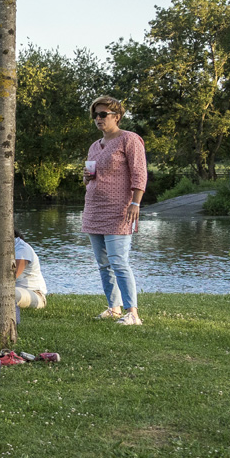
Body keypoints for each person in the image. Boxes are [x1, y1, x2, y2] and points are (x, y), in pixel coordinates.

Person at [83, 95, 147, 326]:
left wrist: (135, 202)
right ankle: (114, 307)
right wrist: (87, 177)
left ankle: (133, 313)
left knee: (119, 262)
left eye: (103, 115)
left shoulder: (129, 140)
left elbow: (140, 173)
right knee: (103, 263)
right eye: (95, 115)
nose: (98, 119)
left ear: (116, 117)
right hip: (94, 209)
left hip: (119, 209)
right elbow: (93, 176)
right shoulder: (94, 146)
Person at [14, 231, 47, 309]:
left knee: (3, 293)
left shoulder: (22, 249)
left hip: (35, 294)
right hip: (13, 290)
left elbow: (10, 278)